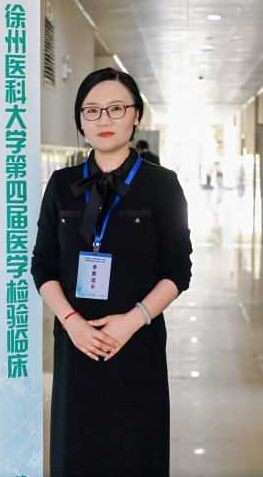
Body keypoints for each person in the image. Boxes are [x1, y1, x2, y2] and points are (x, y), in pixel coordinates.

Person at [31, 68, 193, 476]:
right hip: (77, 343)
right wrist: (71, 322)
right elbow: (43, 265)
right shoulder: (62, 184)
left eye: (116, 108)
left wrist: (131, 321)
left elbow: (178, 270)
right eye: (92, 110)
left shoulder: (162, 185)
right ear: (80, 120)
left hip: (137, 342)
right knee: (77, 451)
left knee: (135, 451)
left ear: (136, 115)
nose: (104, 119)